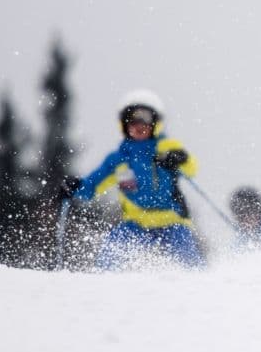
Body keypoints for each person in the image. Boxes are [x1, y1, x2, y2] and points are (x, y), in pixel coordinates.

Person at [60, 89, 205, 270]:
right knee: (111, 251)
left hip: (172, 221)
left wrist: (179, 158)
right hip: (136, 223)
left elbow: (191, 168)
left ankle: (200, 283)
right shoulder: (120, 159)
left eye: (144, 120)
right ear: (124, 126)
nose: (139, 126)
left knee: (189, 257)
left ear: (155, 124)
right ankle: (104, 283)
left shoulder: (165, 147)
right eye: (132, 122)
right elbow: (93, 186)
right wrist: (76, 187)